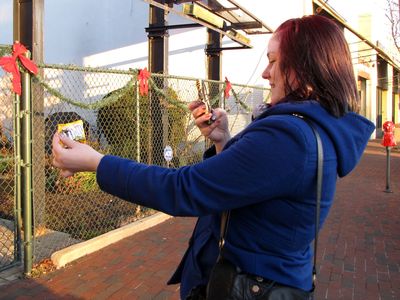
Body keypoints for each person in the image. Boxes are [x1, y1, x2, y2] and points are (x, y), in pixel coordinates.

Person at [52, 15, 375, 299]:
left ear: (305, 66)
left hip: (247, 285)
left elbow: (183, 189)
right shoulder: (312, 128)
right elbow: (252, 186)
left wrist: (97, 163)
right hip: (268, 276)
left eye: (274, 61)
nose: (265, 73)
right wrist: (224, 142)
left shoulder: (290, 138)